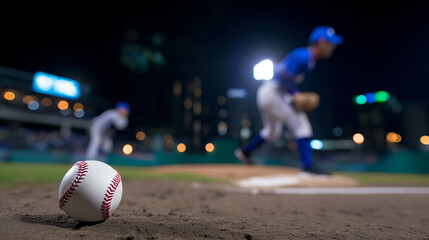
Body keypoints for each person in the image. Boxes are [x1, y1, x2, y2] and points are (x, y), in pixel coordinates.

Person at [234, 26, 343, 175]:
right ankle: (307, 166)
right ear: (321, 42)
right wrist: (295, 93)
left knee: (272, 133)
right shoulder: (304, 55)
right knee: (302, 126)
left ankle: (245, 152)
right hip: (274, 92)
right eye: (330, 43)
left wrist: (293, 93)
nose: (332, 47)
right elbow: (282, 73)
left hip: (269, 93)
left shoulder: (309, 59)